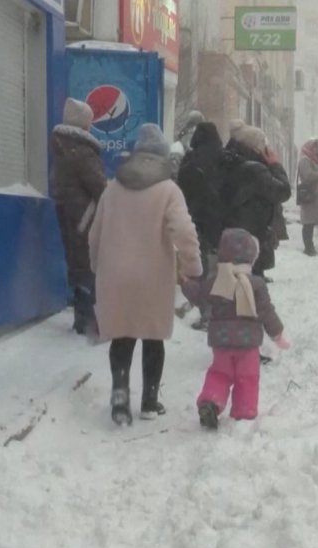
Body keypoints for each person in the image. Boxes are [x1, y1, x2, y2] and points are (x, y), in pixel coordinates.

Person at [89, 124, 202, 425]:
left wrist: (95, 266)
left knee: (122, 339)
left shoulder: (113, 187)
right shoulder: (169, 190)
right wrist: (192, 267)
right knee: (153, 339)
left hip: (115, 276)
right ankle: (150, 402)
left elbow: (95, 234)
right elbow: (184, 232)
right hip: (153, 277)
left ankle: (120, 400)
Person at [181, 229, 288, 430]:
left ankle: (211, 401)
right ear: (251, 258)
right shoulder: (255, 284)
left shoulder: (215, 280)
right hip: (248, 344)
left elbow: (200, 297)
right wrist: (277, 333)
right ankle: (244, 411)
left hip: (220, 341)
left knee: (219, 373)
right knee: (247, 377)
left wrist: (187, 284)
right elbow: (266, 312)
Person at [51, 98, 107, 337]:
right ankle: (90, 322)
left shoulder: (61, 148)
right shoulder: (82, 152)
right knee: (88, 266)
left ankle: (80, 318)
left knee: (76, 264)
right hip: (84, 216)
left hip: (68, 214)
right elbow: (98, 187)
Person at [220, 121, 292, 277]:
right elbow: (283, 191)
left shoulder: (229, 162)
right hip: (253, 233)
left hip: (231, 231)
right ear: (256, 146)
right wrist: (275, 165)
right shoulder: (256, 170)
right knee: (250, 282)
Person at [178, 122, 225, 276]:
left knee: (199, 244)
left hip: (194, 208)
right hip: (217, 209)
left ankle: (200, 276)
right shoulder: (223, 156)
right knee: (216, 246)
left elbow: (181, 181)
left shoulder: (190, 157)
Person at [297, 139, 318, 256]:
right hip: (309, 195)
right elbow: (308, 176)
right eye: (315, 147)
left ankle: (310, 247)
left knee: (310, 222)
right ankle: (308, 247)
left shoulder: (312, 159)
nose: (317, 150)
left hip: (314, 195)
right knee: (308, 222)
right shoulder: (305, 160)